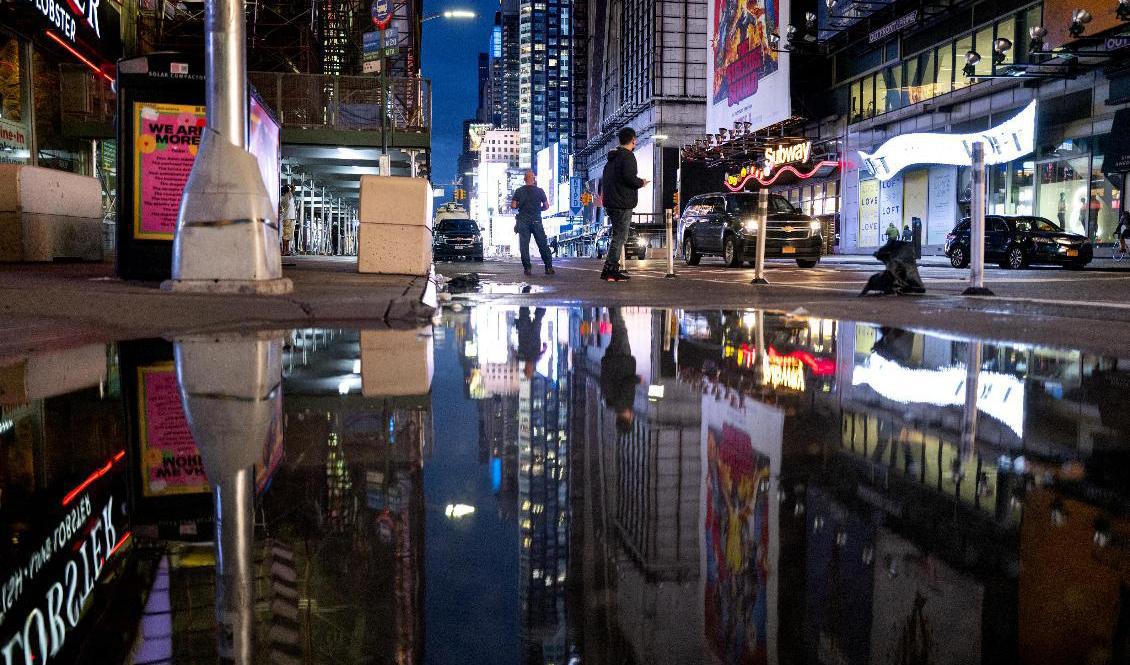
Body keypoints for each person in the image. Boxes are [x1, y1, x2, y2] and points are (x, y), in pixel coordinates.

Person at [600, 127, 650, 282]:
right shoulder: (628, 157)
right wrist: (641, 182)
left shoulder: (612, 158)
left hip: (611, 202)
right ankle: (610, 270)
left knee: (617, 236)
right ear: (633, 140)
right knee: (620, 237)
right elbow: (629, 178)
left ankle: (610, 269)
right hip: (622, 202)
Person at [600, 307, 640, 433]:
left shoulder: (623, 403)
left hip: (621, 360)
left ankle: (614, 301)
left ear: (628, 419)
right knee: (618, 330)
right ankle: (613, 305)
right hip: (612, 359)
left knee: (620, 330)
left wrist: (638, 379)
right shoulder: (610, 403)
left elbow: (627, 383)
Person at [510, 171, 555, 277]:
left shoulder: (519, 191)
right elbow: (547, 206)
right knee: (542, 244)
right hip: (536, 220)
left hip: (523, 221)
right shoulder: (540, 191)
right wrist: (539, 209)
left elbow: (513, 205)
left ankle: (527, 269)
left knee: (524, 246)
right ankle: (548, 267)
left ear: (525, 179)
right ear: (534, 179)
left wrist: (521, 206)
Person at [515, 307, 546, 379]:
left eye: (527, 369)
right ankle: (541, 304)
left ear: (525, 367)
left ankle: (524, 304)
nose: (529, 367)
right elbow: (543, 352)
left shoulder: (521, 357)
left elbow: (513, 350)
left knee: (524, 316)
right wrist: (544, 348)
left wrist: (514, 350)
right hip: (535, 334)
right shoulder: (536, 358)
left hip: (524, 333)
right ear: (532, 368)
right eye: (530, 369)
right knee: (538, 318)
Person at [280, 184, 297, 256]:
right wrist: (288, 185)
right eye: (289, 190)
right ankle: (284, 251)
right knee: (286, 235)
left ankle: (286, 250)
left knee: (288, 236)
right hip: (288, 218)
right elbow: (293, 188)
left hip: (289, 218)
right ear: (287, 191)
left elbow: (293, 189)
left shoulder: (284, 197)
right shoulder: (288, 196)